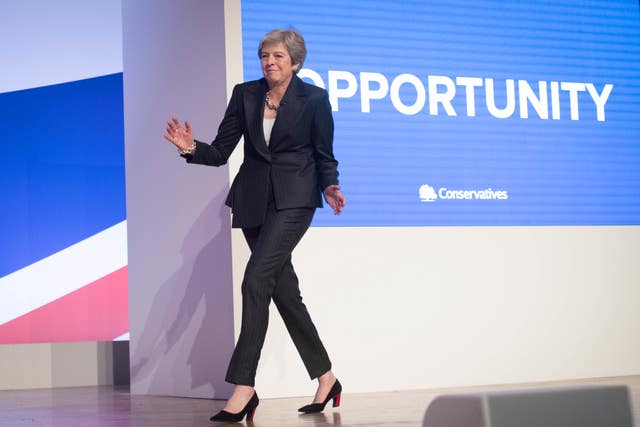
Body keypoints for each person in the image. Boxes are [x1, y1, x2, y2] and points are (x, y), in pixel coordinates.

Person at [163, 28, 346, 423]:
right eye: (264, 55)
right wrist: (192, 148)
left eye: (278, 56)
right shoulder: (245, 95)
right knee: (285, 293)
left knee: (255, 280)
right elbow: (220, 152)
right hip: (252, 203)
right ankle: (327, 377)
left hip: (295, 200)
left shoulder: (314, 98)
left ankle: (243, 387)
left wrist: (330, 184)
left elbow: (323, 152)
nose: (269, 62)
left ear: (295, 62)